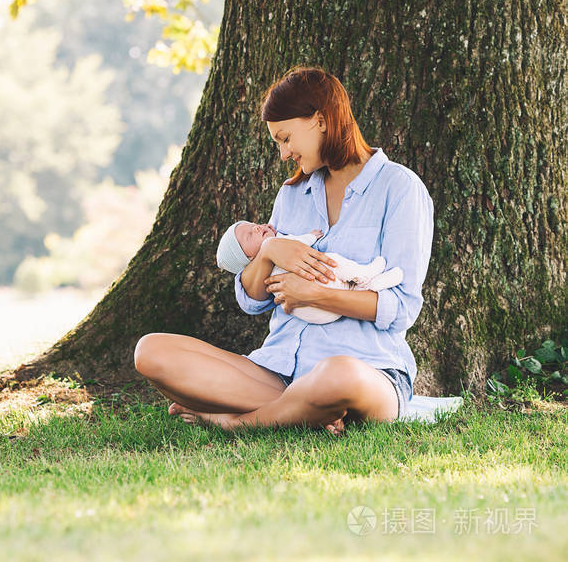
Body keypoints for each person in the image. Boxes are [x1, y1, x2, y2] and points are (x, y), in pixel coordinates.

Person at [134, 66, 434, 433]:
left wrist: (317, 295)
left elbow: (402, 307)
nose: (283, 153)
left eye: (286, 137)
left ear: (321, 121)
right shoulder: (292, 195)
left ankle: (236, 423)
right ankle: (307, 412)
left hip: (366, 372)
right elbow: (254, 300)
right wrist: (270, 250)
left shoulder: (400, 188)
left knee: (336, 376)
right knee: (151, 352)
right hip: (278, 372)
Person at [216, 220, 404, 323]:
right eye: (249, 235)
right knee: (330, 261)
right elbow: (298, 244)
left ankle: (369, 286)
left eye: (253, 225)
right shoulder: (269, 258)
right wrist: (310, 236)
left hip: (320, 314)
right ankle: (365, 275)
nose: (256, 228)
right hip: (320, 297)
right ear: (249, 260)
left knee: (329, 272)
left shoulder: (269, 264)